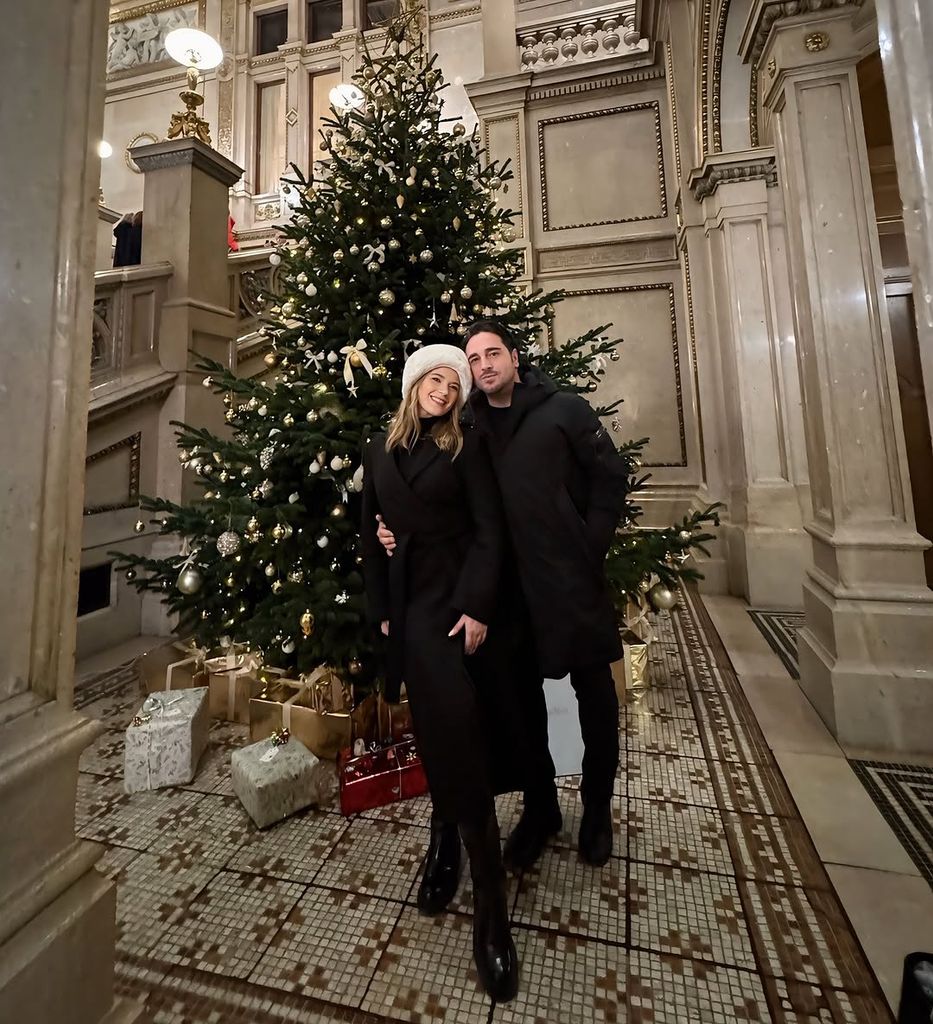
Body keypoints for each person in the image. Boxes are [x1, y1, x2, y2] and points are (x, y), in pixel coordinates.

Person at [378, 320, 627, 866]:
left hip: (570, 586)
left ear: (515, 357)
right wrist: (392, 527)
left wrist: (589, 548)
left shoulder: (565, 410)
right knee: (523, 707)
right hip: (511, 596)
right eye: (474, 358)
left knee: (597, 701)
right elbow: (446, 503)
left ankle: (598, 811)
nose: (484, 364)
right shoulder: (466, 428)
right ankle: (542, 810)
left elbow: (612, 480)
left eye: (494, 353)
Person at [360, 343, 519, 1003]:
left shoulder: (466, 447)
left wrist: (477, 603)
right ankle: (441, 840)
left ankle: (489, 903)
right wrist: (382, 615)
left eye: (452, 383)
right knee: (436, 732)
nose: (444, 390)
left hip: (453, 606)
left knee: (457, 737)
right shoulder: (378, 450)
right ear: (411, 385)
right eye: (433, 379)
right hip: (411, 612)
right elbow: (368, 536)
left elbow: (491, 531)